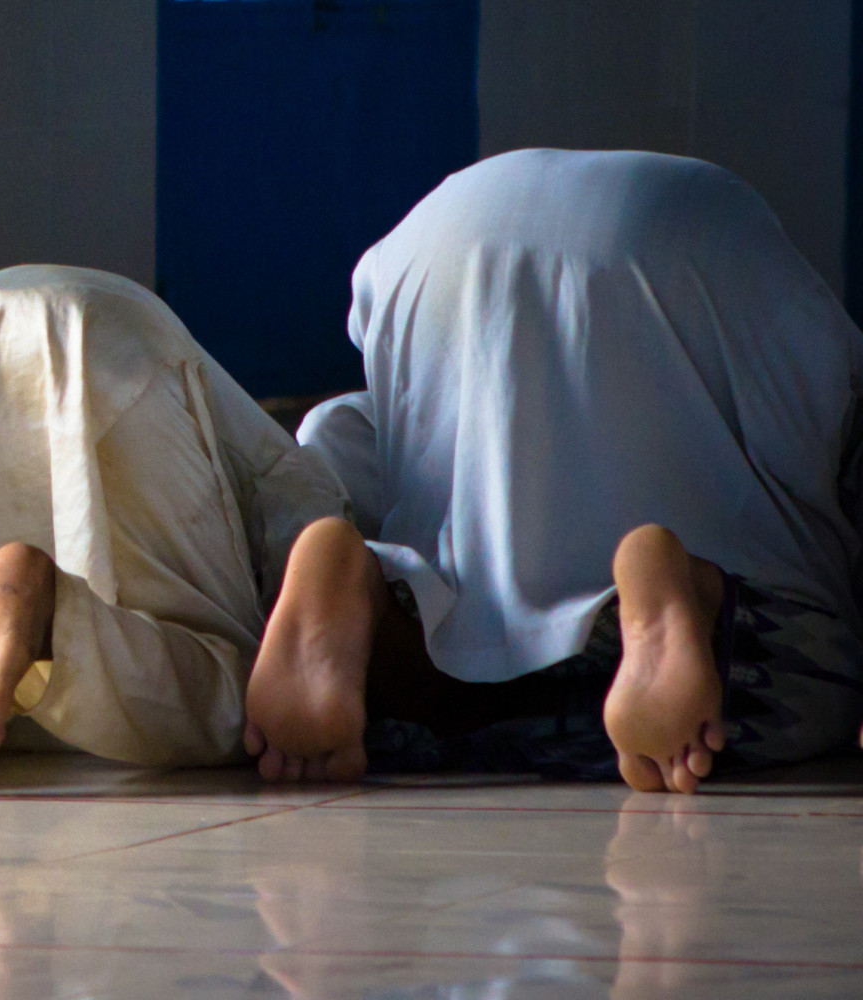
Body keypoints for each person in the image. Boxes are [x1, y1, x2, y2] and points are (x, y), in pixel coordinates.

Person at [247, 149, 863, 793]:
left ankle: (367, 589)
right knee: (816, 682)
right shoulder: (737, 233)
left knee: (451, 655)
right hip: (693, 232)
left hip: (437, 233)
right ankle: (693, 588)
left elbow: (341, 434)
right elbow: (834, 410)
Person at [0, 265, 349, 792]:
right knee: (238, 702)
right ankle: (48, 611)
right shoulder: (282, 429)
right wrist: (319, 555)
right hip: (113, 347)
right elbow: (298, 498)